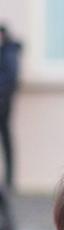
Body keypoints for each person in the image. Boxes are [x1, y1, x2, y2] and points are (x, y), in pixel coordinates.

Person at [0, 24, 23, 189]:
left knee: (6, 140)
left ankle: (9, 181)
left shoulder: (9, 52)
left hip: (3, 103)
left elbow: (10, 80)